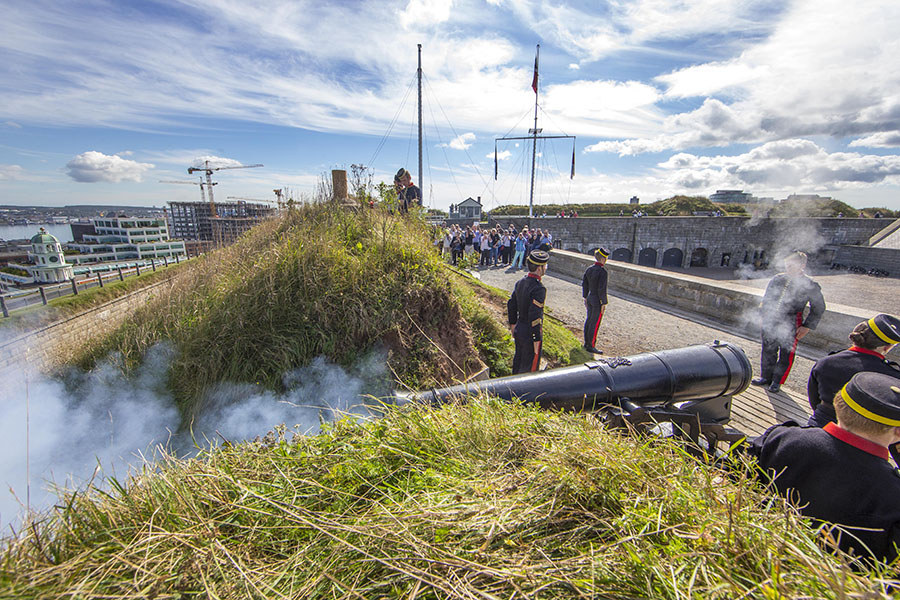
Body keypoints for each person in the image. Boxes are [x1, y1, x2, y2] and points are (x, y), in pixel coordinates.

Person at [748, 372, 900, 565]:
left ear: (838, 403)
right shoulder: (893, 495)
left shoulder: (780, 439)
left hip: (760, 553)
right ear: (898, 432)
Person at [751, 251, 826, 393]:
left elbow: (819, 307)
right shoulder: (777, 279)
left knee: (786, 353)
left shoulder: (810, 284)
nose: (788, 267)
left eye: (792, 264)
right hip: (771, 318)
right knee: (768, 349)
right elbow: (767, 299)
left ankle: (777, 381)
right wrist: (762, 317)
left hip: (792, 321)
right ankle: (765, 377)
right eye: (787, 264)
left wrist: (807, 326)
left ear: (802, 265)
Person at [807, 314, 900, 427]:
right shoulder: (892, 376)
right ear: (886, 347)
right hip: (863, 434)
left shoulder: (827, 361)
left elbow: (814, 399)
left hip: (821, 424)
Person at [507, 250, 550, 374]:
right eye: (545, 266)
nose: (546, 268)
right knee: (529, 370)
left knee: (518, 362)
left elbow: (512, 304)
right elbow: (535, 316)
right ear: (539, 268)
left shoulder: (521, 282)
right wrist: (536, 338)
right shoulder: (538, 289)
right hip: (530, 333)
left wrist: (513, 324)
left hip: (519, 327)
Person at [582, 247, 609, 354]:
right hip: (597, 299)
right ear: (603, 259)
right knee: (595, 322)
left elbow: (585, 284)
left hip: (589, 296)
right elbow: (602, 289)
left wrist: (585, 296)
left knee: (589, 320)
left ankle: (586, 342)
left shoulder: (589, 269)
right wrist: (603, 302)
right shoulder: (603, 272)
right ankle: (591, 345)